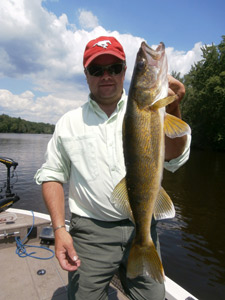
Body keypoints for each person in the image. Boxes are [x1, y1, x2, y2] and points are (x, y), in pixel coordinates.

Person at [35, 36, 191, 300]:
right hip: (90, 234)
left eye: (114, 68)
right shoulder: (68, 123)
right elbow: (51, 175)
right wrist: (60, 229)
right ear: (86, 74)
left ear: (125, 72)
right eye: (97, 70)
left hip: (141, 226)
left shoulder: (153, 109)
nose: (106, 76)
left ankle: (143, 249)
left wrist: (173, 104)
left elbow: (175, 159)